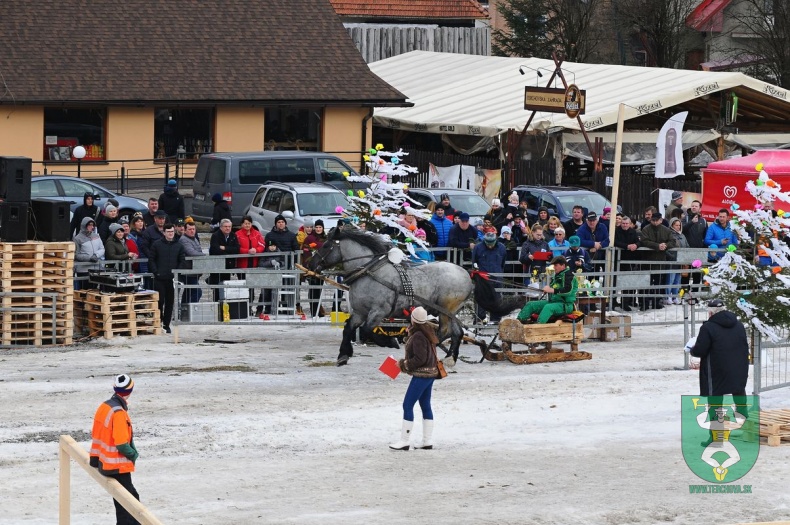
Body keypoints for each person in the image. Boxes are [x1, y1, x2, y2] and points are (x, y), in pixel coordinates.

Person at [89, 374, 140, 525]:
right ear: (130, 390)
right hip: (116, 465)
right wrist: (133, 454)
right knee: (130, 505)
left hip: (103, 461)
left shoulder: (105, 406)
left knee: (124, 501)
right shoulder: (118, 413)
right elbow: (121, 444)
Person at [389, 306, 440, 451]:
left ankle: (404, 440)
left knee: (407, 405)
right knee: (425, 405)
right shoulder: (428, 331)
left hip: (422, 375)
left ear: (413, 319)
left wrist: (403, 364)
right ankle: (427, 440)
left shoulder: (418, 336)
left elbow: (420, 359)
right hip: (431, 374)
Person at [687, 298, 749, 410]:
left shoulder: (708, 327)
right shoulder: (739, 325)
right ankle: (743, 416)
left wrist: (692, 349)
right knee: (738, 390)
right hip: (738, 365)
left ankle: (716, 420)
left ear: (711, 313)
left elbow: (700, 350)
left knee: (715, 393)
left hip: (716, 368)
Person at [516, 256, 578, 324]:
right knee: (531, 304)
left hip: (565, 305)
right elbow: (554, 288)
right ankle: (517, 323)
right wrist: (547, 290)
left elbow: (568, 291)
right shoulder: (557, 275)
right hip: (553, 302)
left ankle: (538, 325)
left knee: (548, 307)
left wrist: (551, 290)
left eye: (556, 265)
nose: (554, 267)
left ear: (563, 265)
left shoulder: (569, 275)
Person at [148, 223, 185, 333]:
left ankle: (166, 324)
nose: (170, 233)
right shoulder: (157, 244)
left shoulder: (179, 245)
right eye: (168, 232)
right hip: (159, 278)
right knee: (160, 301)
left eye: (172, 231)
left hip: (172, 279)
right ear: (164, 232)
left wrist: (177, 272)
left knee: (170, 302)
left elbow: (182, 260)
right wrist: (156, 272)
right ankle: (159, 321)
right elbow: (151, 259)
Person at [640, 211, 675, 310]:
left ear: (661, 220)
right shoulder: (646, 229)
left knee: (658, 282)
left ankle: (656, 302)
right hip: (647, 260)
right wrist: (657, 246)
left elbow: (673, 241)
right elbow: (644, 241)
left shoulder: (666, 230)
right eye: (653, 220)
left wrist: (665, 245)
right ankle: (644, 303)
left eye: (657, 220)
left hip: (660, 260)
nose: (655, 222)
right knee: (646, 283)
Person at [472, 229, 506, 322]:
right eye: (488, 243)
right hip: (482, 279)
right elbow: (474, 262)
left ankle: (495, 321)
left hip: (496, 278)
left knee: (496, 301)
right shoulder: (478, 248)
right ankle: (480, 320)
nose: (490, 245)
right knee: (481, 300)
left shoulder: (502, 248)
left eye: (492, 243)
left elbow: (503, 263)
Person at [208, 219, 240, 302]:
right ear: (221, 227)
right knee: (217, 290)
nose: (228, 228)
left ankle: (224, 307)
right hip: (217, 267)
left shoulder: (233, 235)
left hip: (228, 266)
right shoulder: (215, 236)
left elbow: (236, 249)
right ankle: (217, 306)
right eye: (225, 226)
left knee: (225, 289)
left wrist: (225, 248)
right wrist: (229, 250)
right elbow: (215, 250)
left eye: (229, 226)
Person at [613, 215, 641, 311]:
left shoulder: (633, 232)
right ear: (620, 223)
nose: (625, 225)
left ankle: (625, 303)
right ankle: (613, 302)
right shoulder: (616, 231)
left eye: (626, 223)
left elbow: (639, 242)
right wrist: (627, 246)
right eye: (623, 223)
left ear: (630, 224)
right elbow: (615, 242)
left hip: (629, 260)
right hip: (617, 259)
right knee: (614, 282)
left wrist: (636, 245)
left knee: (627, 282)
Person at [301, 219, 328, 318]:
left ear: (323, 228)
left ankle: (318, 310)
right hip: (312, 268)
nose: (318, 229)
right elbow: (305, 252)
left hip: (322, 267)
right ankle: (313, 311)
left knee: (319, 290)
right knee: (313, 289)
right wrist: (308, 265)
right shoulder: (310, 238)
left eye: (320, 227)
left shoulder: (326, 239)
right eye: (316, 227)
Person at [73, 217, 105, 289]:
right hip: (83, 270)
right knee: (84, 290)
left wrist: (96, 255)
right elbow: (76, 255)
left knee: (95, 290)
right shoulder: (77, 238)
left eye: (93, 225)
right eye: (89, 225)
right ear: (84, 225)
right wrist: (89, 258)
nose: (92, 227)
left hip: (97, 268)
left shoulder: (96, 236)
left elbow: (102, 249)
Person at [178, 220, 204, 304]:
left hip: (194, 271)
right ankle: (191, 309)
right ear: (185, 230)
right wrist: (204, 256)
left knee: (188, 292)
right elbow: (191, 252)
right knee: (197, 292)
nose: (192, 231)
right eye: (190, 229)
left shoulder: (194, 238)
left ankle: (184, 309)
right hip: (187, 271)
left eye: (193, 229)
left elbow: (198, 250)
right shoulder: (183, 239)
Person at [667, 217, 689, 304]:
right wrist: (672, 256)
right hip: (672, 260)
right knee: (670, 279)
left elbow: (687, 246)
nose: (678, 227)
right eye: (676, 225)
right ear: (672, 225)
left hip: (681, 261)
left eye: (679, 225)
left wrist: (686, 256)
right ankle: (668, 296)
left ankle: (675, 296)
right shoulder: (669, 235)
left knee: (677, 280)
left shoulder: (682, 235)